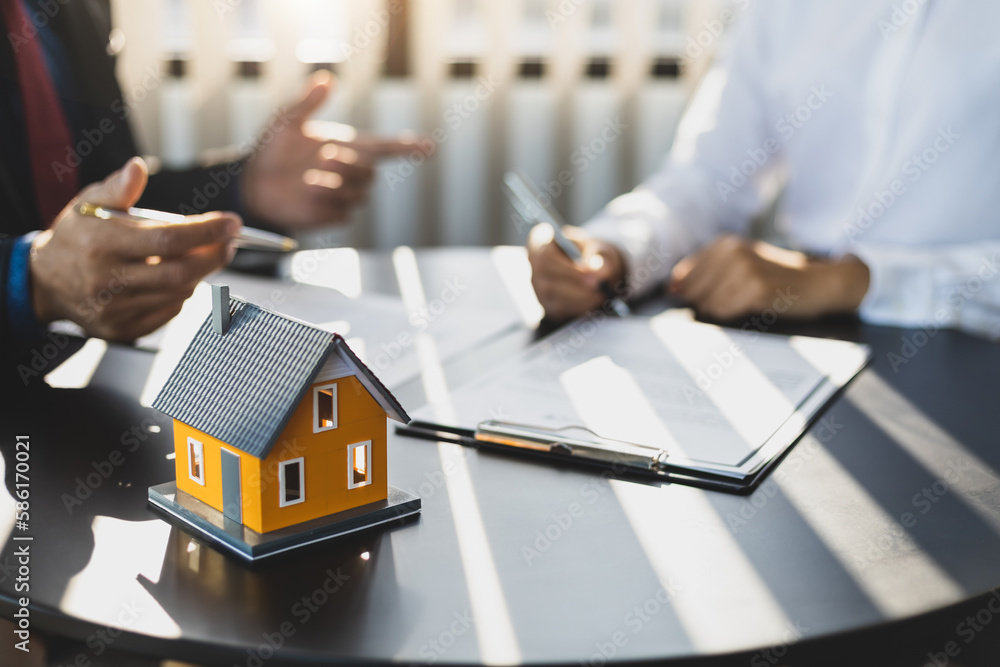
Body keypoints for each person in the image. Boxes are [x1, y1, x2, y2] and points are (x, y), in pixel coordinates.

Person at [528, 0, 1000, 339]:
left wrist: (853, 282)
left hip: (967, 345)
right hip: (804, 333)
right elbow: (710, 177)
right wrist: (617, 250)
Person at [0, 0, 420, 357]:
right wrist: (28, 279)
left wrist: (247, 189)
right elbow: (56, 246)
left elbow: (104, 206)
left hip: (85, 385)